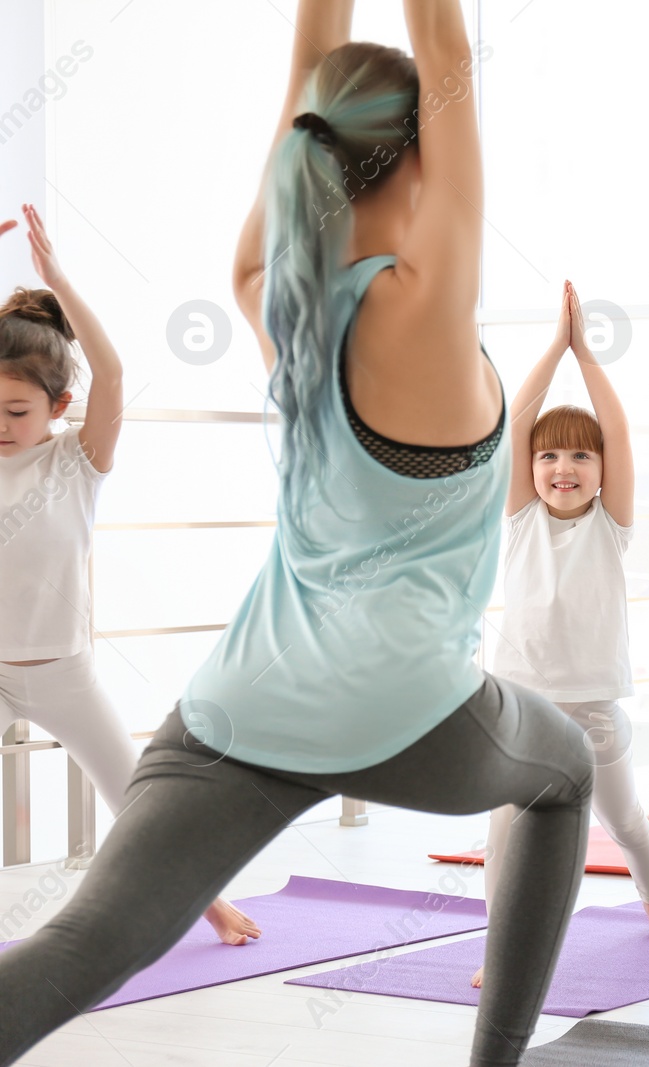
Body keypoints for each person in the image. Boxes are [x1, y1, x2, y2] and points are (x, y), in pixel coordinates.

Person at [0, 5, 593, 1065]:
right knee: (567, 769)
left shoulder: (275, 296)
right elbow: (446, 53)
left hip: (240, 701)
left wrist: (320, 60)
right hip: (408, 712)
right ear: (413, 160)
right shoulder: (424, 316)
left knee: (85, 939)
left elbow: (310, 80)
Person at [0, 205, 259, 946]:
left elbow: (112, 371)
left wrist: (58, 279)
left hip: (63, 672)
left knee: (137, 800)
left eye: (17, 409)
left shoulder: (75, 463)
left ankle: (211, 905)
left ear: (59, 405)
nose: (1, 422)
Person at [473, 281, 649, 989]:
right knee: (504, 832)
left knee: (625, 821)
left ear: (600, 474)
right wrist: (551, 348)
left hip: (593, 707)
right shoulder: (518, 519)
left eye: (580, 459)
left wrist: (585, 355)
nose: (563, 469)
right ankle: (497, 950)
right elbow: (516, 422)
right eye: (550, 458)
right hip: (521, 705)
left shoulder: (610, 524)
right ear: (532, 470)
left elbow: (618, 432)